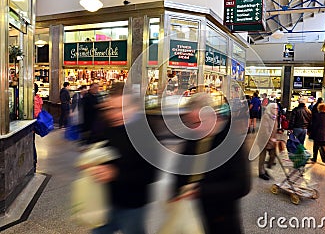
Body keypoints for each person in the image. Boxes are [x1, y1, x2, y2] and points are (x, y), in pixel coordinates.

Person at [173, 93, 251, 234]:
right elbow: (179, 169)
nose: (194, 128)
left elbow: (242, 185)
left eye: (199, 122)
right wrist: (177, 191)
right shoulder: (192, 138)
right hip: (190, 215)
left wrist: (201, 190)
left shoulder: (231, 142)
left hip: (221, 219)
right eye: (191, 123)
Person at [88, 82, 158, 234]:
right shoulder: (109, 124)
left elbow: (152, 173)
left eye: (122, 109)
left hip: (133, 203)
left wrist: (116, 173)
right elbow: (101, 147)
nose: (116, 114)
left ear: (134, 107)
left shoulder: (146, 132)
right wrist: (92, 162)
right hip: (108, 199)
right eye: (112, 109)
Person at [255, 103, 279, 180]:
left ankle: (267, 168)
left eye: (276, 109)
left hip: (271, 140)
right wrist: (270, 138)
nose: (276, 110)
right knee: (262, 156)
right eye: (274, 109)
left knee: (273, 154)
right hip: (263, 140)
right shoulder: (266, 117)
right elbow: (264, 130)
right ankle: (261, 172)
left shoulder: (274, 117)